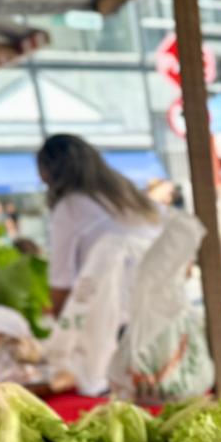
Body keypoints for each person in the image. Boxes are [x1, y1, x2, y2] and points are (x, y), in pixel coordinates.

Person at [37, 134, 160, 318]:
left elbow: (62, 286)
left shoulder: (70, 208)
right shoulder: (132, 198)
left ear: (47, 172)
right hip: (156, 310)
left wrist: (57, 319)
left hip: (115, 322)